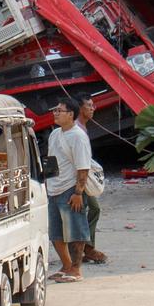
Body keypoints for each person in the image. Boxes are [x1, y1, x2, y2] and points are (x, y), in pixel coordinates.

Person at [46, 100, 93, 282]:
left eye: (60, 110)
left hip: (70, 189)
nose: (56, 113)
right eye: (55, 110)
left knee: (75, 230)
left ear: (71, 114)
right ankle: (66, 265)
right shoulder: (55, 134)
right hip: (54, 188)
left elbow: (83, 167)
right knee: (55, 232)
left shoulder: (78, 137)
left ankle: (76, 269)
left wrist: (78, 193)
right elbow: (52, 160)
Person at [76, 96, 108, 265]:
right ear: (80, 108)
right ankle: (86, 249)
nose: (92, 108)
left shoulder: (82, 128)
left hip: (83, 177)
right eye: (89, 105)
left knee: (91, 209)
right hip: (79, 178)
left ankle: (86, 247)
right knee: (91, 209)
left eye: (92, 105)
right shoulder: (76, 130)